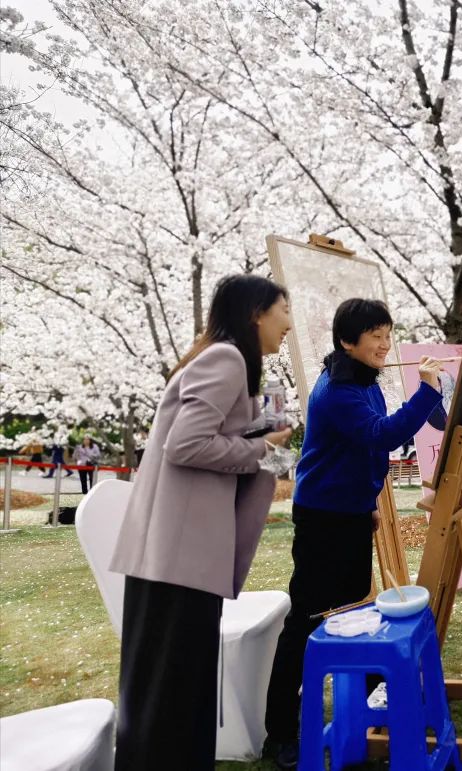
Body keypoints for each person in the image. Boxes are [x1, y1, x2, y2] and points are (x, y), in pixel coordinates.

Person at [109, 274, 294, 770]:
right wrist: (264, 446)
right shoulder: (227, 358)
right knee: (173, 688)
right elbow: (186, 444)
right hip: (181, 555)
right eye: (284, 311)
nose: (290, 325)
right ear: (256, 312)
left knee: (170, 688)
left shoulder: (222, 358)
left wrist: (263, 435)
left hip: (177, 554)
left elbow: (203, 437)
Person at [263, 298, 444, 769]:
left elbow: (371, 446)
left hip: (348, 513)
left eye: (388, 334)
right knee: (307, 619)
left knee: (353, 609)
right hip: (323, 518)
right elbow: (381, 435)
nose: (385, 343)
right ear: (348, 341)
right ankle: (279, 732)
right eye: (374, 336)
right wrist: (426, 393)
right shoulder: (337, 390)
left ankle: (367, 697)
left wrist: (367, 506)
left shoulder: (364, 379)